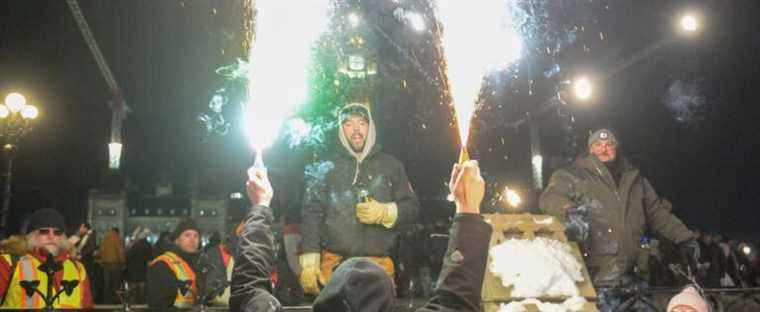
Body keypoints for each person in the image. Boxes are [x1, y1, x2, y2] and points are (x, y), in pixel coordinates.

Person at [231, 159, 492, 312]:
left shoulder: (389, 165)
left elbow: (248, 290)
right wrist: (468, 208)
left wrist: (261, 205)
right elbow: (455, 300)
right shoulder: (334, 168)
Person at [300, 103, 420, 295]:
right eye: (348, 124)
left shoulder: (391, 166)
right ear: (340, 130)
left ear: (370, 127)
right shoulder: (325, 168)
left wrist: (385, 212)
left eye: (362, 123)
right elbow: (311, 214)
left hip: (379, 268)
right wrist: (310, 262)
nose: (356, 130)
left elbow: (412, 209)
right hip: (335, 267)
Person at [0, 208, 94, 309]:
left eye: (57, 232)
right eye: (44, 231)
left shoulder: (78, 269)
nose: (51, 236)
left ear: (62, 237)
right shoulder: (8, 263)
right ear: (32, 235)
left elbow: (87, 307)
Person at [146, 218, 201, 309]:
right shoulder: (163, 265)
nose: (192, 240)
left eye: (196, 236)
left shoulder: (200, 263)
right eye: (187, 235)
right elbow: (159, 306)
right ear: (177, 240)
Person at [98, 227, 126, 304]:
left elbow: (101, 251)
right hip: (116, 265)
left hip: (105, 265)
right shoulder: (116, 238)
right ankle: (115, 300)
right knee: (115, 284)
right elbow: (120, 251)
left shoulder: (105, 239)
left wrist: (102, 261)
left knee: (107, 284)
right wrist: (123, 262)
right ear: (117, 232)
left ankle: (106, 300)